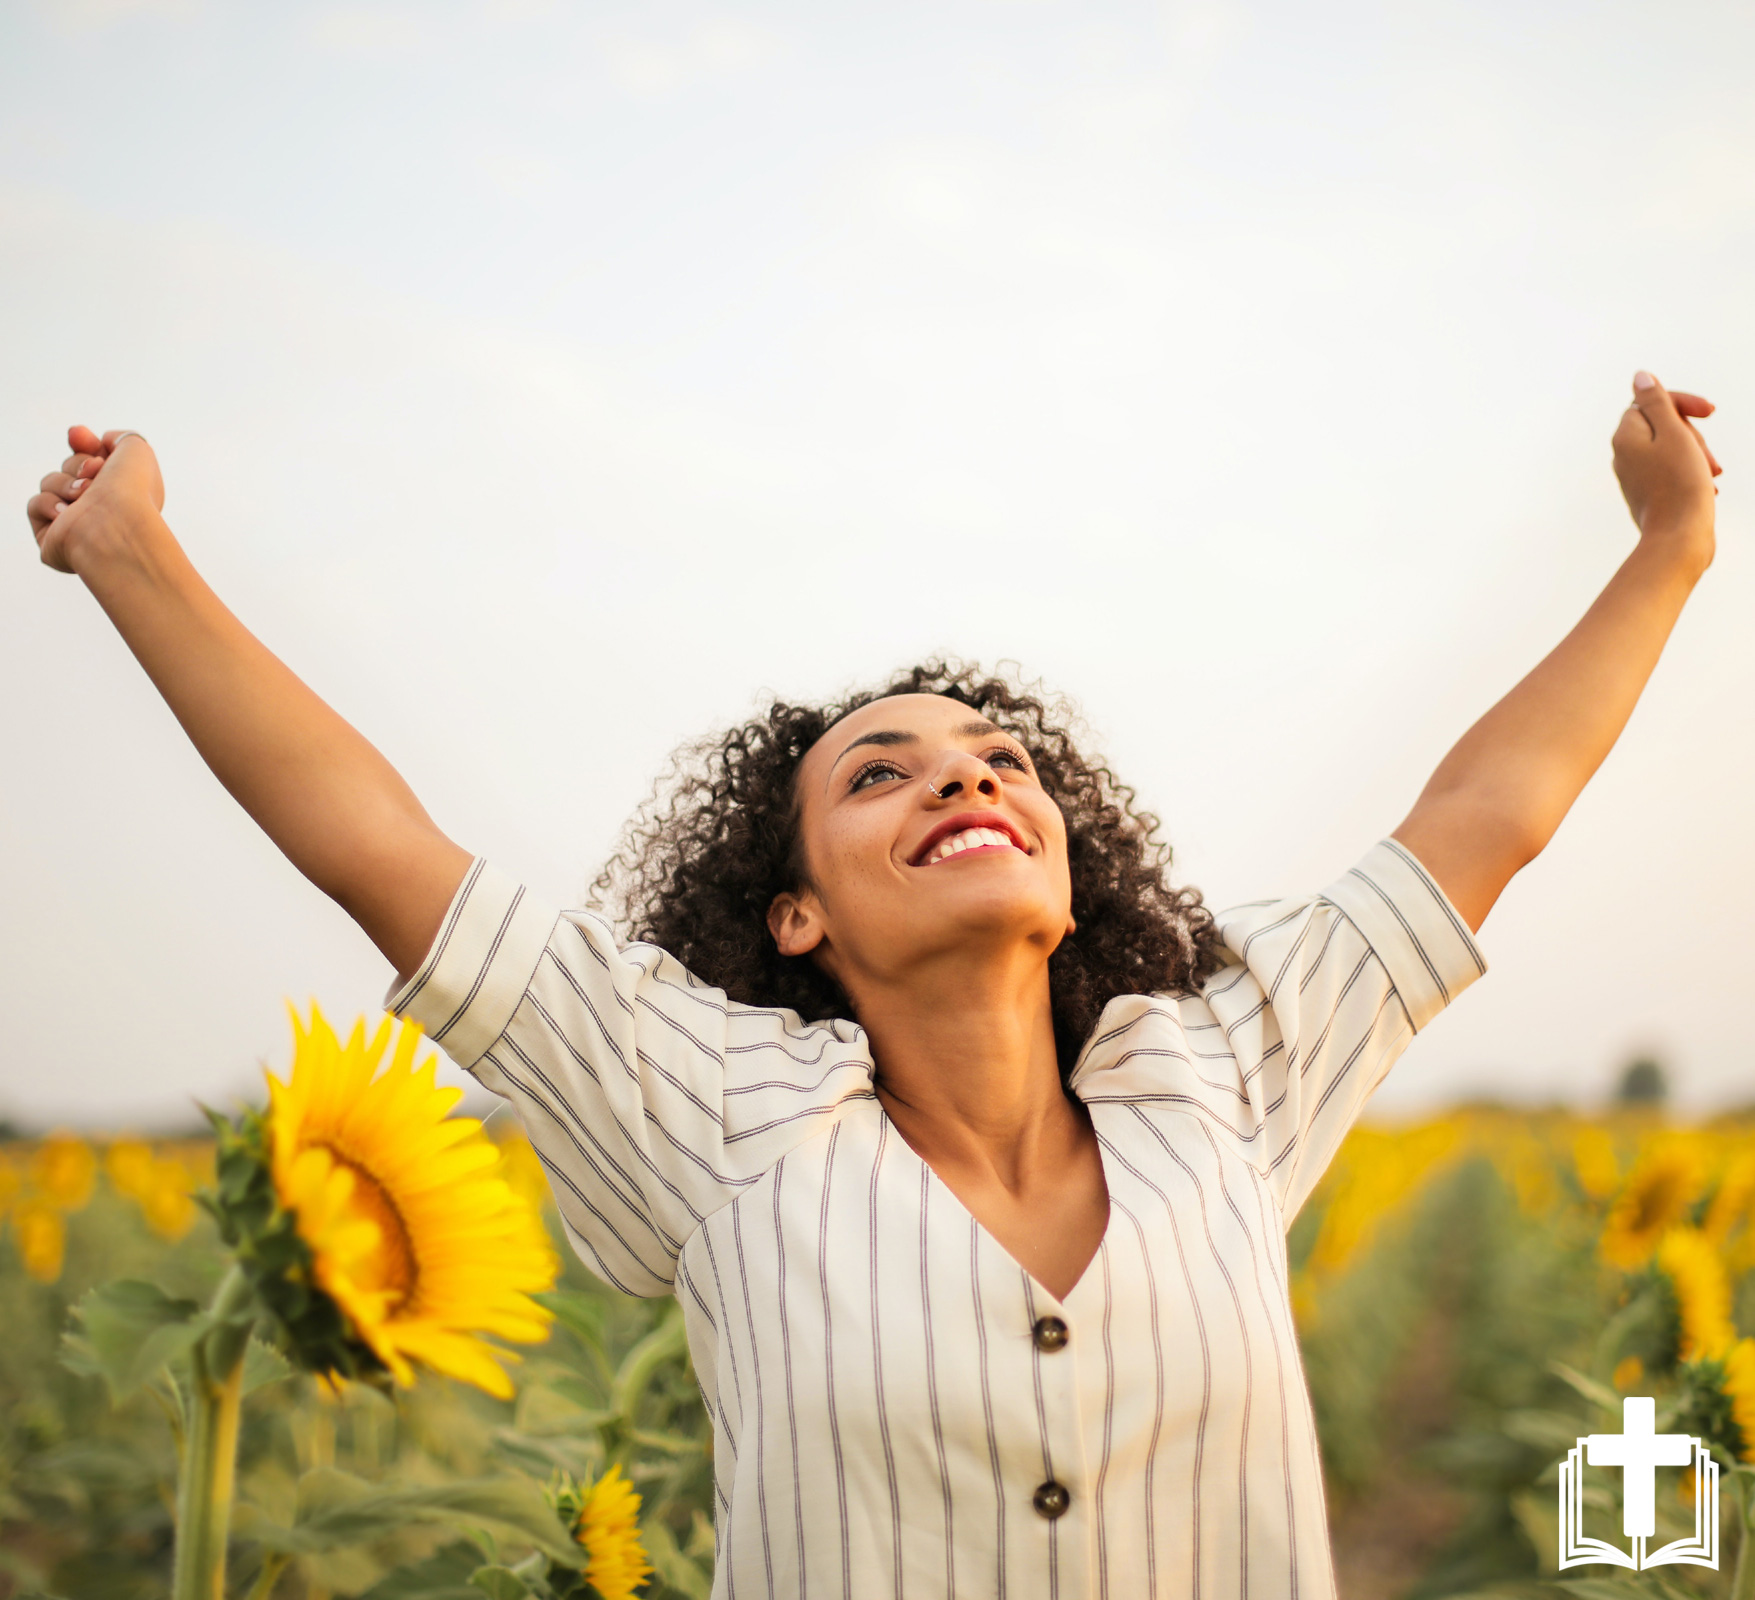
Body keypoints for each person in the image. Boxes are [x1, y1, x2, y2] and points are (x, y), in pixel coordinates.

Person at [24, 374, 1722, 1598]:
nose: (966, 784)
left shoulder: (1219, 1073)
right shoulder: (715, 1123)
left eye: (1000, 764)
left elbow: (1485, 822)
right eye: (881, 777)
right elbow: (379, 853)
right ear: (792, 920)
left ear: (1070, 873)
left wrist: (1670, 549)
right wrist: (134, 555)